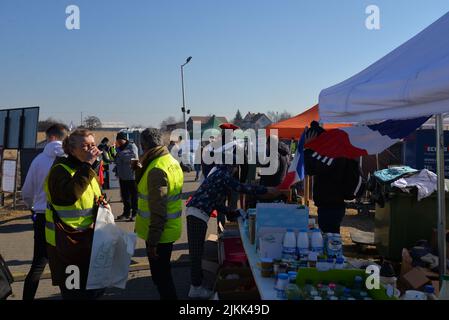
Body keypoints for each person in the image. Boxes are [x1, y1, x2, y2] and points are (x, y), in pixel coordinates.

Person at [186, 161, 280, 299]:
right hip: (196, 214)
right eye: (237, 168)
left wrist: (232, 212)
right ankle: (196, 288)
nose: (236, 171)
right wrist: (266, 190)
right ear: (234, 166)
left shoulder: (217, 172)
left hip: (196, 213)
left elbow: (215, 201)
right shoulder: (224, 175)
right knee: (196, 253)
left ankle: (198, 284)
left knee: (197, 251)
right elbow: (242, 188)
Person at [44, 129, 105, 300]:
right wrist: (87, 166)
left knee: (94, 290)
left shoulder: (86, 168)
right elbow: (68, 197)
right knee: (75, 292)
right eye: (85, 146)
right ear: (71, 150)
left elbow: (89, 197)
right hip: (68, 244)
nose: (91, 149)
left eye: (93, 145)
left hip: (89, 241)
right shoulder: (60, 170)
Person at [134, 128, 184, 300]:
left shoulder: (156, 168)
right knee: (163, 275)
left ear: (143, 145)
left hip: (159, 233)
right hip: (169, 228)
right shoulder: (170, 160)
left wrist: (153, 241)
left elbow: (158, 208)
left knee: (161, 278)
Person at [21, 123, 68, 300]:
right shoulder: (71, 158)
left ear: (51, 138)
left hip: (42, 216)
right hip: (67, 218)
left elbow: (26, 192)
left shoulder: (38, 160)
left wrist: (31, 206)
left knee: (38, 264)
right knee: (69, 262)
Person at [303, 121, 363, 234]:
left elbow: (309, 168)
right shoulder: (332, 151)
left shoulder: (330, 153)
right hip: (332, 204)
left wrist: (308, 147)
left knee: (330, 238)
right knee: (331, 236)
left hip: (331, 205)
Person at [115, 131, 139, 221]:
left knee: (134, 196)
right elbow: (118, 160)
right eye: (117, 140)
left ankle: (135, 213)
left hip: (132, 176)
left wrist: (120, 155)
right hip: (122, 176)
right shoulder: (119, 148)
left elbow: (133, 158)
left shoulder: (132, 146)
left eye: (120, 140)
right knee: (125, 197)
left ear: (125, 139)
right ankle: (126, 213)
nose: (118, 142)